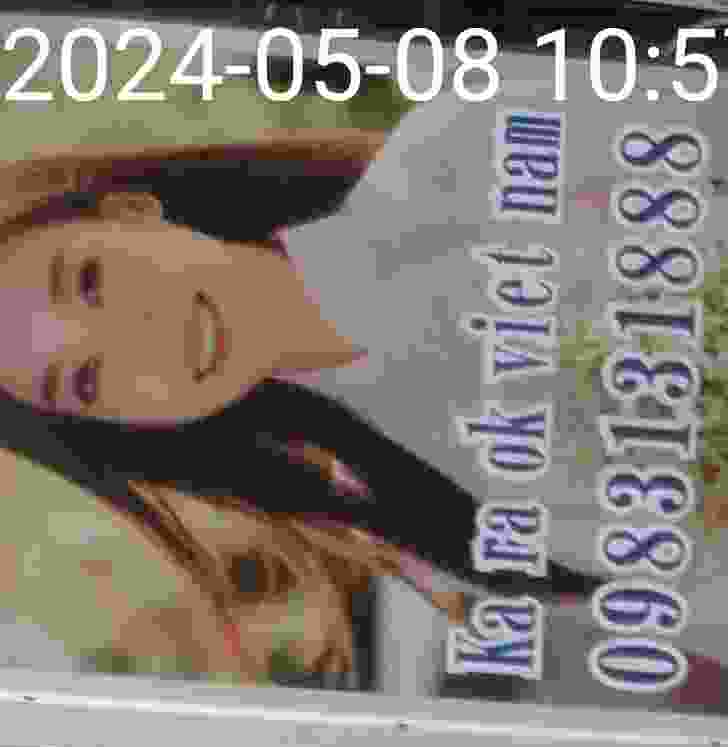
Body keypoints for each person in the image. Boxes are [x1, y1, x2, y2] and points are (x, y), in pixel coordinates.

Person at [3, 121, 596, 675]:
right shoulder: (417, 512)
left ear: (131, 211)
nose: (143, 342)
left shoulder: (459, 160)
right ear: (120, 425)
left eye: (90, 281)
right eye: (85, 382)